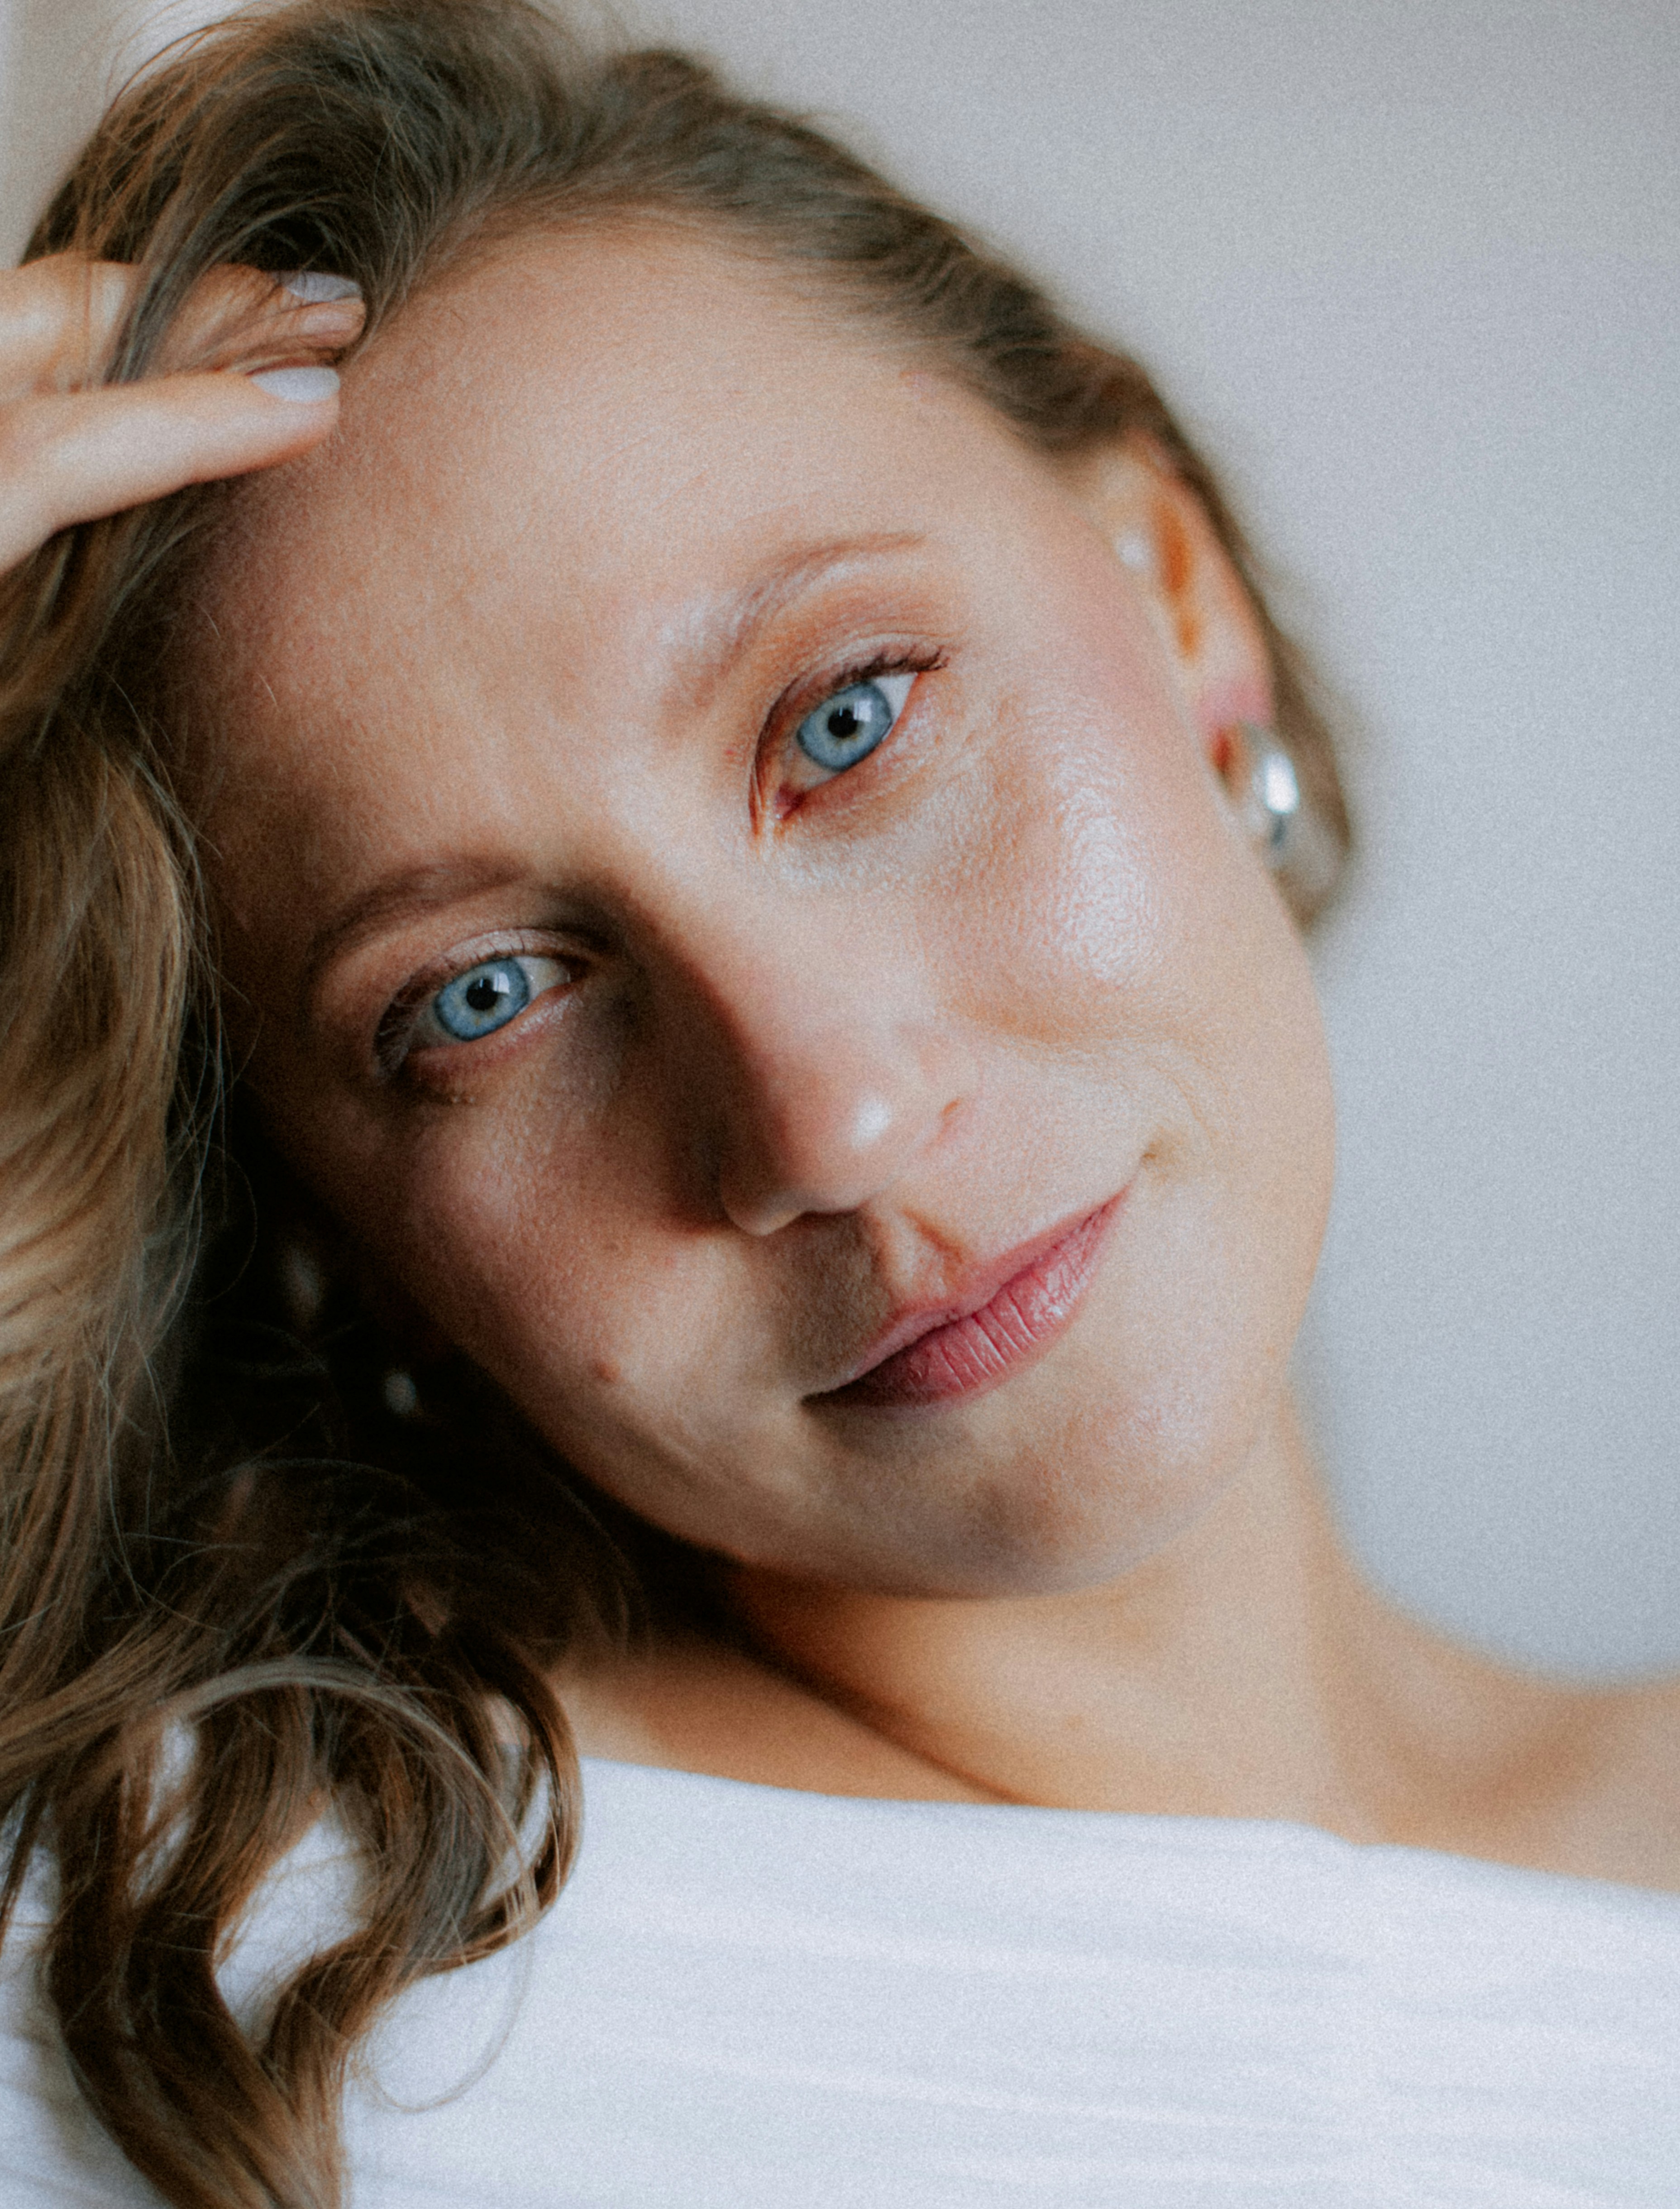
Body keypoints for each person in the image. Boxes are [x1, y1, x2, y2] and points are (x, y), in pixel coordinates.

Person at [0, 2, 1676, 2204]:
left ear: (1176, 603)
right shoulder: (209, 1982)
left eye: (852, 717)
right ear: (335, 1220)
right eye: (482, 996)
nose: (830, 1116)